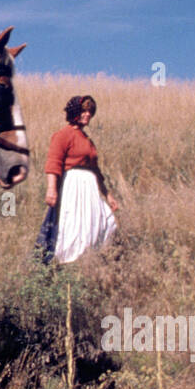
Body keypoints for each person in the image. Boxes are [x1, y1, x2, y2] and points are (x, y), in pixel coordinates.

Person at [38, 94, 118, 264]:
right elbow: (54, 162)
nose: (88, 115)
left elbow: (96, 171)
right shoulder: (63, 135)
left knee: (106, 221)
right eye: (84, 111)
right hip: (73, 186)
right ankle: (66, 264)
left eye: (90, 112)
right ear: (75, 111)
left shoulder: (87, 140)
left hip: (90, 188)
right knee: (74, 226)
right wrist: (51, 189)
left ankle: (91, 260)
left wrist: (108, 195)